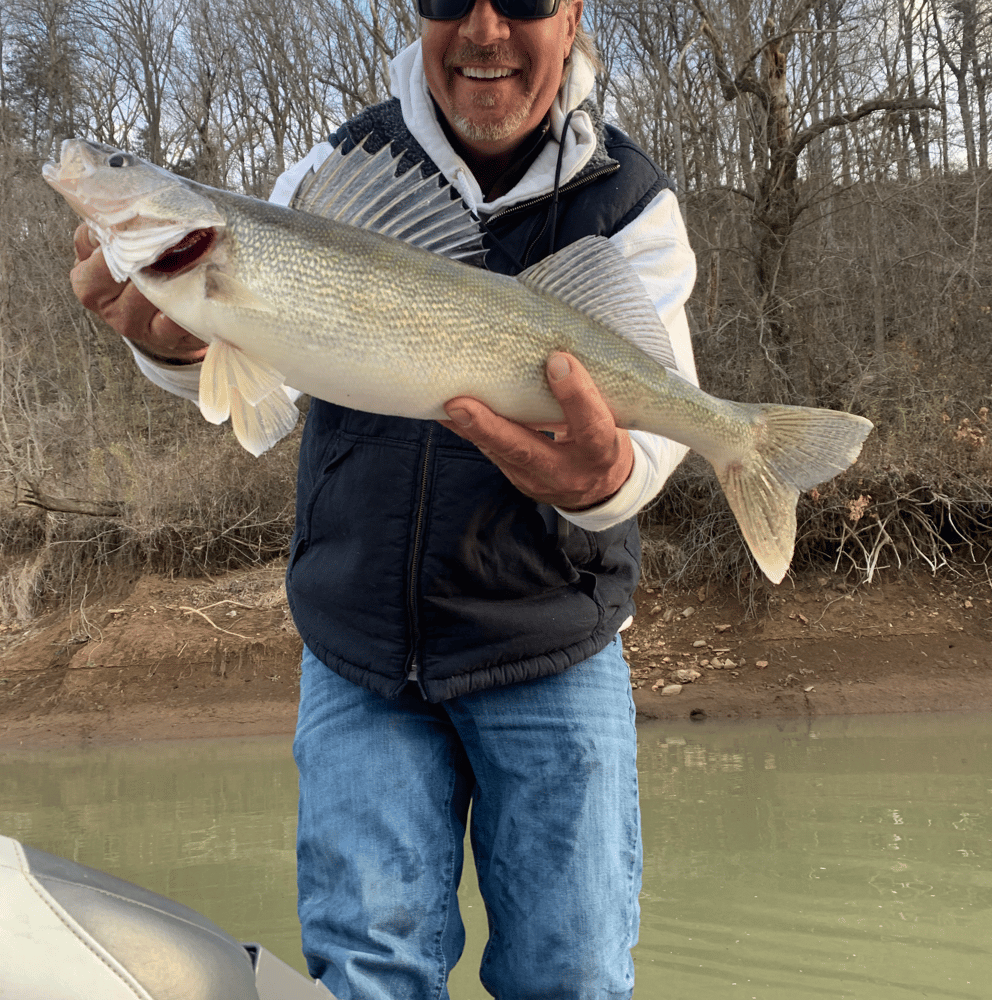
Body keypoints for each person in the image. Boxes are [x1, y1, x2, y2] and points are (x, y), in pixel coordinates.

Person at [70, 0, 698, 996]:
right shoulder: (323, 175)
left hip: (550, 646)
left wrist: (610, 477)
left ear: (572, 12)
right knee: (367, 968)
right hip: (360, 651)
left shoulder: (630, 203)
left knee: (569, 972)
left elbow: (658, 434)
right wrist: (171, 343)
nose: (485, 31)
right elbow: (257, 400)